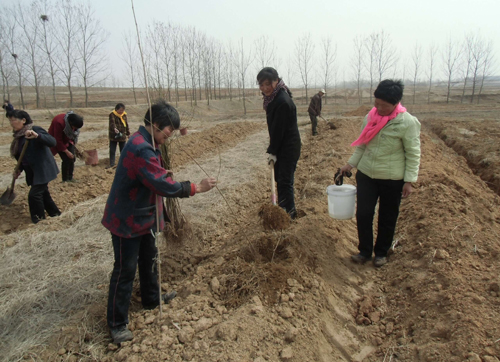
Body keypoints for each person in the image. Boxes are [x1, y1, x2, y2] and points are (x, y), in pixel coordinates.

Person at [101, 100, 217, 344]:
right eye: (169, 130)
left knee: (150, 259)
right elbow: (162, 185)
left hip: (144, 215)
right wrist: (196, 187)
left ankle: (151, 299)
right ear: (155, 125)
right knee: (125, 270)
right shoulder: (141, 147)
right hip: (127, 218)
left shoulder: (149, 143)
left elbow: (154, 176)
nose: (170, 135)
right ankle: (117, 323)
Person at [340, 79, 421, 268]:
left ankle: (381, 253)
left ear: (395, 104)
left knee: (387, 216)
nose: (379, 108)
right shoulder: (370, 117)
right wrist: (349, 165)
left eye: (384, 106)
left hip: (392, 179)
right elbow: (362, 145)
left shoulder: (407, 123)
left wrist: (409, 181)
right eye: (376, 103)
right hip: (367, 175)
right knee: (364, 214)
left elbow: (413, 153)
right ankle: (365, 251)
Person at [257, 67, 301, 219]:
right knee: (282, 180)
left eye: (268, 84)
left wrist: (273, 151)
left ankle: (289, 215)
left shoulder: (282, 101)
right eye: (261, 85)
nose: (264, 88)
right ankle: (284, 212)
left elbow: (278, 131)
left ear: (276, 81)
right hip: (284, 145)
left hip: (288, 147)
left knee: (284, 182)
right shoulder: (275, 97)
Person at [9, 110, 61, 223]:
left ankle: (39, 220)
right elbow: (22, 157)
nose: (11, 123)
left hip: (43, 169)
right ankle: (55, 214)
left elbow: (53, 142)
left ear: (23, 120)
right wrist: (19, 169)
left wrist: (37, 136)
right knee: (43, 193)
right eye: (10, 120)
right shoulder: (18, 137)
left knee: (34, 195)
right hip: (33, 172)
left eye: (13, 120)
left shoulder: (35, 130)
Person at [48, 111, 84, 182]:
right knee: (66, 159)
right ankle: (65, 180)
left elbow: (74, 134)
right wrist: (66, 151)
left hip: (67, 139)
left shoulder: (74, 123)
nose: (75, 129)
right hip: (56, 141)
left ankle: (70, 178)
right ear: (70, 123)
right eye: (74, 127)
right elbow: (58, 140)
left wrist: (73, 144)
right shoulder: (59, 122)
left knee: (72, 158)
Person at [107, 103, 130, 169]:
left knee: (123, 150)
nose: (121, 112)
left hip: (122, 135)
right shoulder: (112, 115)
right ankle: (112, 164)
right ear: (116, 109)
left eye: (122, 110)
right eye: (120, 110)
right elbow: (112, 123)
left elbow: (126, 124)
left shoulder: (124, 115)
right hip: (114, 136)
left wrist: (128, 133)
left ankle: (124, 164)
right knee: (112, 150)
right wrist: (114, 129)